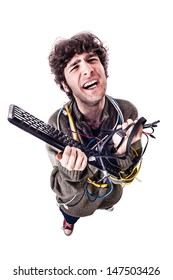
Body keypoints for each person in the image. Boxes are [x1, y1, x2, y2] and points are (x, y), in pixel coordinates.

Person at [46, 31, 143, 236]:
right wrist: (71, 172)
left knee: (108, 199)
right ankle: (69, 222)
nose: (88, 69)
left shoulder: (126, 112)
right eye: (75, 67)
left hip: (110, 192)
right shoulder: (57, 123)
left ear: (104, 69)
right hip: (77, 202)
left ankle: (104, 204)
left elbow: (127, 178)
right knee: (71, 212)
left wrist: (122, 153)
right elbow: (63, 191)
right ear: (65, 85)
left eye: (92, 60)